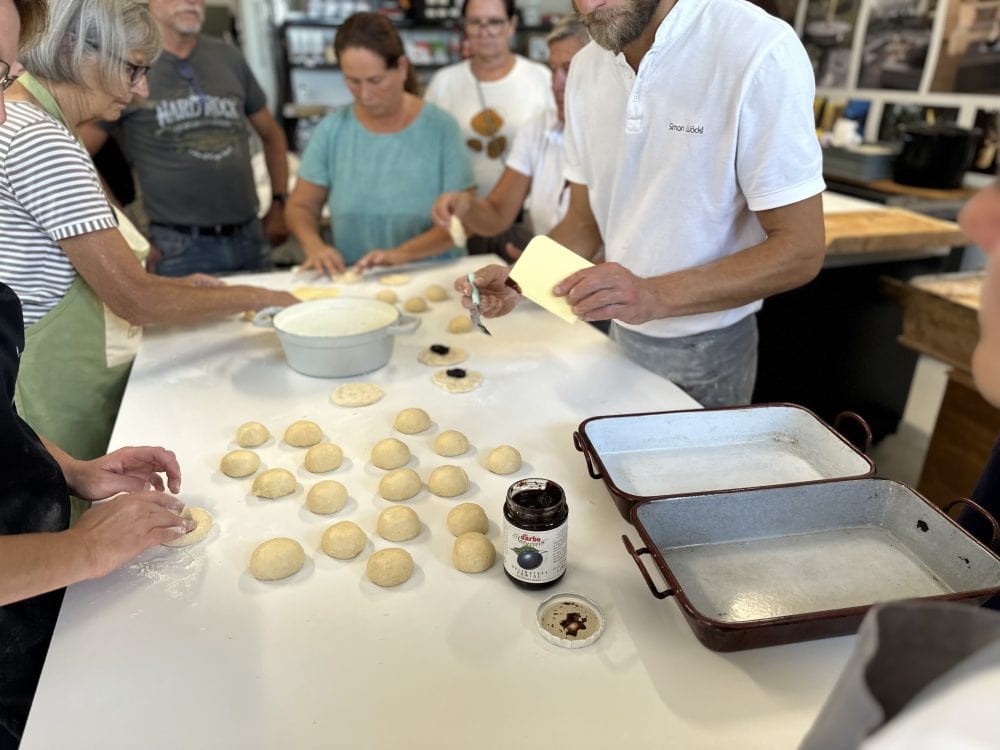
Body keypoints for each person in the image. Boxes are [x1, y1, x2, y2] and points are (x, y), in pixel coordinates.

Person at [0, 0, 296, 512]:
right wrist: (263, 295)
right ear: (77, 50)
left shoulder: (32, 124)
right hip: (52, 403)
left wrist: (192, 289)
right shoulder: (39, 138)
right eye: (134, 67)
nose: (143, 90)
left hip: (58, 387)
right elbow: (133, 298)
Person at [455, 0, 826, 408]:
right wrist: (519, 282)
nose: (589, 5)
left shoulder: (756, 47)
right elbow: (584, 222)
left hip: (711, 352)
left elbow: (800, 249)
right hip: (623, 339)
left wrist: (651, 294)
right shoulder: (585, 68)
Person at [0, 2, 195, 745]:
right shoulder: (33, 138)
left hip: (34, 560)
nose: (12, 104)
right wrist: (82, 550)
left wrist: (70, 470)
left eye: (11, 70)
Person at [80, 0, 290, 277]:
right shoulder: (130, 64)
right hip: (176, 247)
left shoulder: (228, 56)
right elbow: (77, 151)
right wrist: (124, 229)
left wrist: (279, 202)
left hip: (250, 235)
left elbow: (272, 134)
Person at [285, 12, 474, 276]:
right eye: (353, 81)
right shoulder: (331, 131)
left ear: (401, 68)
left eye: (375, 81)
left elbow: (463, 220)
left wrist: (400, 255)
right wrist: (315, 246)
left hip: (433, 273)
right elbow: (301, 206)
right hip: (357, 277)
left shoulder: (441, 128)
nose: (365, 94)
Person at [432, 16, 590, 263]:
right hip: (550, 284)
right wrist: (466, 206)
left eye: (569, 70)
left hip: (610, 292)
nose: (555, 84)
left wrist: (537, 270)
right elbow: (497, 213)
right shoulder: (538, 129)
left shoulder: (624, 136)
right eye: (553, 69)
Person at [424, 0, 553, 254]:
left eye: (494, 22)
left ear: (512, 25)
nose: (485, 31)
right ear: (465, 27)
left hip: (526, 219)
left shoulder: (541, 79)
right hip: (461, 220)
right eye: (475, 22)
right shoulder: (444, 83)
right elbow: (428, 152)